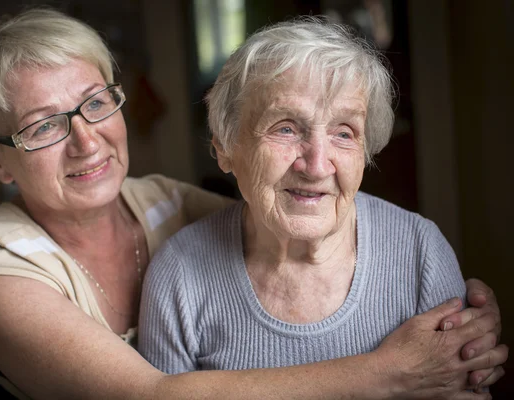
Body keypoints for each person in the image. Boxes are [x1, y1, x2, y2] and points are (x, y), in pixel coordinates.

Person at [0, 8, 506, 400]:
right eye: (42, 126)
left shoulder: (161, 202)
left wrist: (468, 322)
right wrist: (393, 373)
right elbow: (150, 396)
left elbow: (277, 204)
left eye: (95, 104)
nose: (87, 141)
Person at [138, 15, 508, 395]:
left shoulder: (419, 250)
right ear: (225, 148)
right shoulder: (180, 275)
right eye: (285, 127)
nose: (316, 166)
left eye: (344, 133)